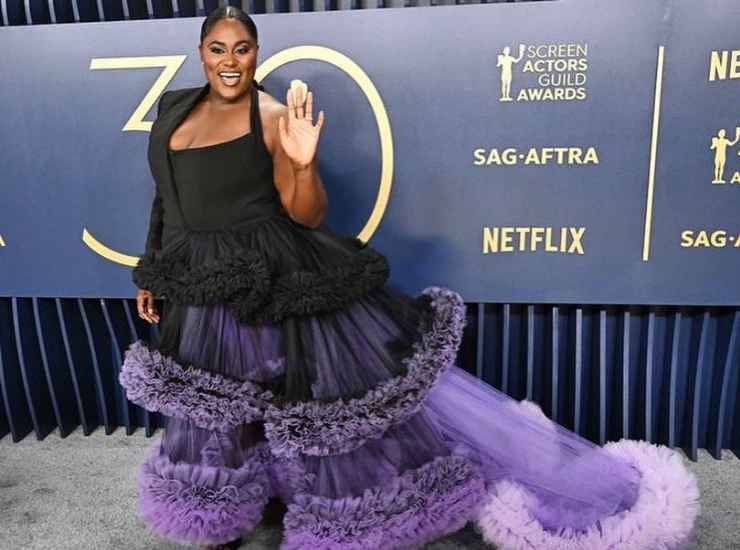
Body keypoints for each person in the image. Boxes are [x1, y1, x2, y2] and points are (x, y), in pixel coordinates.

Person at [119, 6, 700, 550]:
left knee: (307, 400)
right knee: (214, 403)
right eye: (218, 48)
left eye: (242, 49)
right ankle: (225, 514)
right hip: (198, 280)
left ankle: (338, 509)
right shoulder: (172, 110)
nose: (229, 60)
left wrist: (301, 163)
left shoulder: (270, 116)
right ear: (200, 52)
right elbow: (165, 201)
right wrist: (154, 271)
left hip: (273, 272)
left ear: (255, 53)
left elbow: (305, 215)